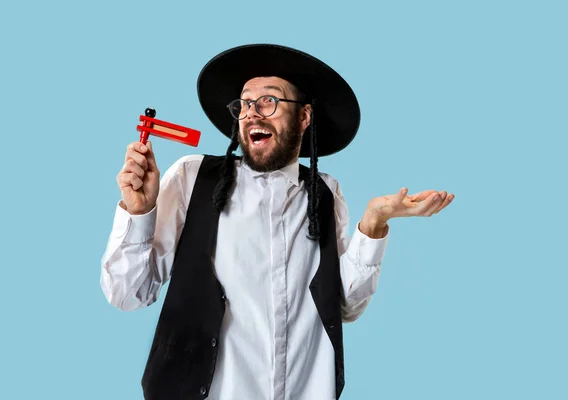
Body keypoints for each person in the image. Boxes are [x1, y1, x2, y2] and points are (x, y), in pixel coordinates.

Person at [100, 44, 453, 400]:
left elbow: (344, 307)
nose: (253, 113)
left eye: (269, 101)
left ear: (304, 117)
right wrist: (138, 212)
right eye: (245, 103)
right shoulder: (193, 178)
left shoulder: (326, 194)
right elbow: (126, 294)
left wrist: (374, 223)